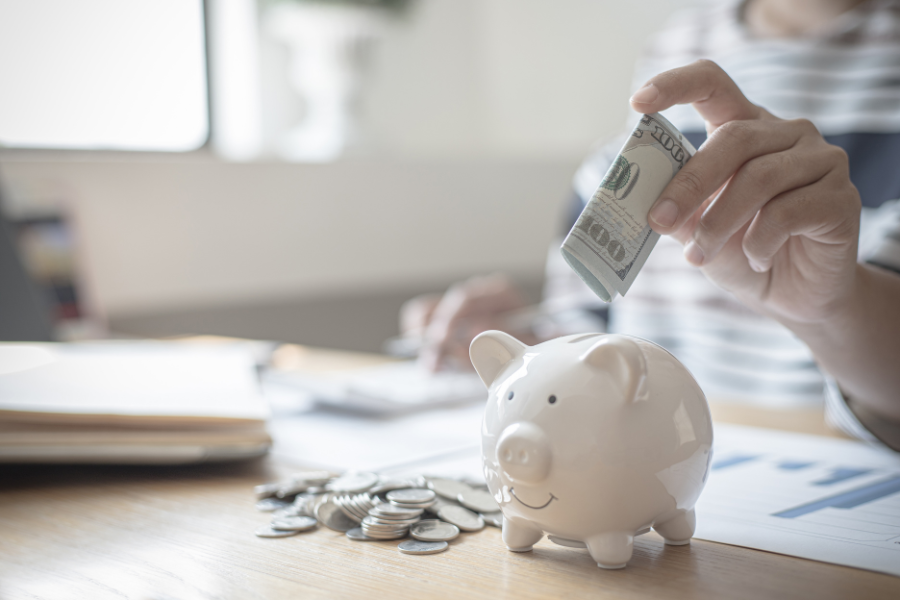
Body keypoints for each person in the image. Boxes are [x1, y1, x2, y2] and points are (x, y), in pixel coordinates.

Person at [401, 0, 900, 449]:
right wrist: (530, 342)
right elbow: (595, 324)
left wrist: (830, 311)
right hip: (641, 466)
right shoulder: (675, 44)